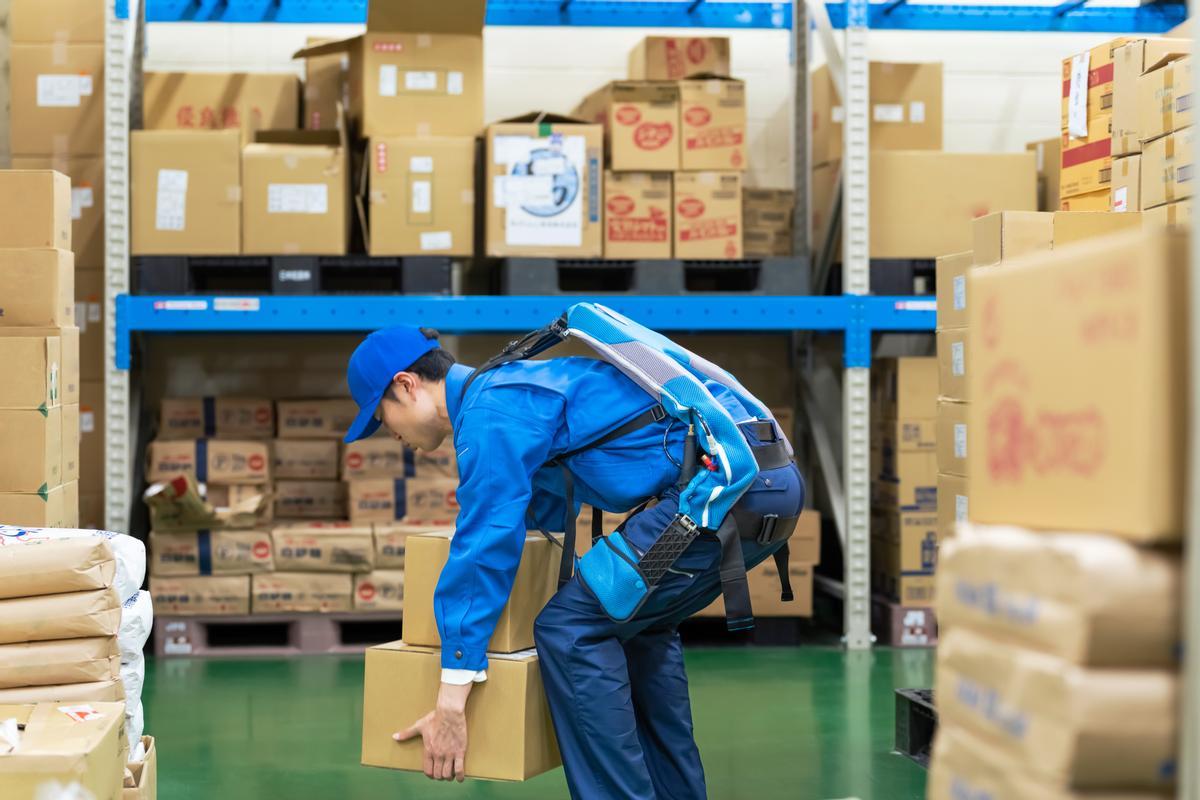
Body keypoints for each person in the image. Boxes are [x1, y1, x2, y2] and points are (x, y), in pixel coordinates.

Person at [343, 322, 805, 799]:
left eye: (381, 418)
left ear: (406, 385)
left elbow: (484, 546)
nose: (390, 434)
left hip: (722, 492)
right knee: (635, 626)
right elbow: (531, 530)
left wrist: (452, 696)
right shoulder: (513, 388)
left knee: (571, 629)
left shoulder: (491, 411)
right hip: (765, 485)